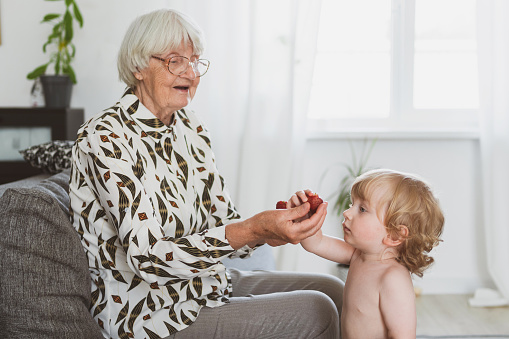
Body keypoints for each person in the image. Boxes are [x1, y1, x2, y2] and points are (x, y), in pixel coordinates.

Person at [69, 8, 343, 339]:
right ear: (139, 66)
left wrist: (272, 230)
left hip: (203, 285)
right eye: (175, 61)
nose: (190, 73)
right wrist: (252, 227)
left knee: (334, 289)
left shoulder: (190, 127)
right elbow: (149, 259)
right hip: (147, 313)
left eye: (195, 61)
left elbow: (222, 221)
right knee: (318, 309)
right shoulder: (105, 136)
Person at [294, 169, 444, 339]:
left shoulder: (393, 278)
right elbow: (316, 243)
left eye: (362, 209)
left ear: (394, 235)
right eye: (352, 205)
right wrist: (304, 219)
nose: (347, 213)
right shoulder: (358, 255)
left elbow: (403, 335)